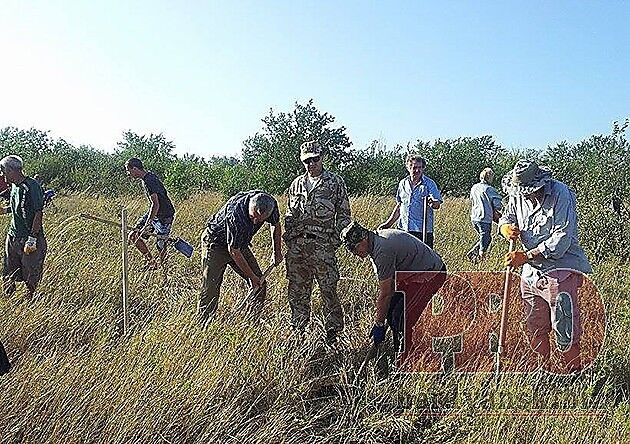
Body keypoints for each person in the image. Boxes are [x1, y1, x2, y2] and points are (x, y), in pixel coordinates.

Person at [499, 160, 592, 373]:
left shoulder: (561, 193)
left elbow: (561, 238)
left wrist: (527, 255)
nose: (525, 195)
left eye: (529, 191)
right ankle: (543, 372)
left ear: (540, 183)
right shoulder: (516, 193)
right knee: (534, 326)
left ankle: (574, 375)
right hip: (531, 273)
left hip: (561, 269)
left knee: (564, 327)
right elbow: (507, 216)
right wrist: (505, 228)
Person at [341, 221, 447, 366]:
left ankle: (406, 363)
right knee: (392, 314)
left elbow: (385, 294)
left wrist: (378, 324)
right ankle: (401, 352)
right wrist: (384, 317)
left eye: (354, 248)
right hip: (411, 275)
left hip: (430, 274)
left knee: (402, 317)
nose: (355, 254)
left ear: (363, 239)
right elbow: (390, 289)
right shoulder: (376, 242)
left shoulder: (382, 250)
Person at [284, 141, 351, 344]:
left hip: (323, 248)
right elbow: (289, 214)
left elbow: (344, 216)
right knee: (297, 291)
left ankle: (332, 335)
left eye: (315, 159)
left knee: (328, 291)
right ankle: (298, 333)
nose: (311, 164)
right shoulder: (296, 184)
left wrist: (334, 242)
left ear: (322, 158)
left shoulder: (335, 182)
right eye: (307, 161)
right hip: (298, 249)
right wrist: (290, 238)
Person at [199, 190, 283, 325]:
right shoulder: (235, 213)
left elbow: (276, 225)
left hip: (239, 243)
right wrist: (251, 277)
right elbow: (234, 252)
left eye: (260, 220)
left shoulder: (271, 204)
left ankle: (250, 324)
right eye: (252, 217)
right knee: (210, 288)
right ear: (250, 206)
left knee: (260, 285)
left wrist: (276, 252)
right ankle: (204, 325)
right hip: (215, 244)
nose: (255, 222)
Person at [0, 155, 47, 298]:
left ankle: (31, 300)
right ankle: (8, 299)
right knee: (8, 271)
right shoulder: (13, 187)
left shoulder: (31, 186)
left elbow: (38, 212)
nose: (2, 175)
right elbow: (19, 208)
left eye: (3, 171)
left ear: (12, 170)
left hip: (29, 237)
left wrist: (32, 238)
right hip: (13, 236)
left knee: (31, 273)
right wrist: (5, 210)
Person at [378, 155, 443, 248]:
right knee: (404, 260)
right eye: (414, 167)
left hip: (422, 232)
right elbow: (399, 206)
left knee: (424, 261)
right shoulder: (402, 184)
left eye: (420, 167)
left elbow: (437, 204)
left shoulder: (429, 184)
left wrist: (433, 203)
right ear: (408, 168)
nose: (417, 170)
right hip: (404, 230)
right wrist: (388, 224)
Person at [125, 158, 176, 270]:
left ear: (135, 168)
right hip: (155, 213)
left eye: (129, 171)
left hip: (165, 215)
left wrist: (147, 225)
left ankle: (165, 274)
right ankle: (152, 263)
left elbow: (155, 204)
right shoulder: (146, 178)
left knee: (161, 245)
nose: (129, 174)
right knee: (134, 235)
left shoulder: (149, 181)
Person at [466, 167, 503, 262]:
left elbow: (472, 199)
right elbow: (498, 205)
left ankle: (473, 253)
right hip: (485, 218)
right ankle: (482, 258)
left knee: (486, 238)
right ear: (489, 177)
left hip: (474, 218)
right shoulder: (490, 189)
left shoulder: (474, 187)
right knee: (485, 238)